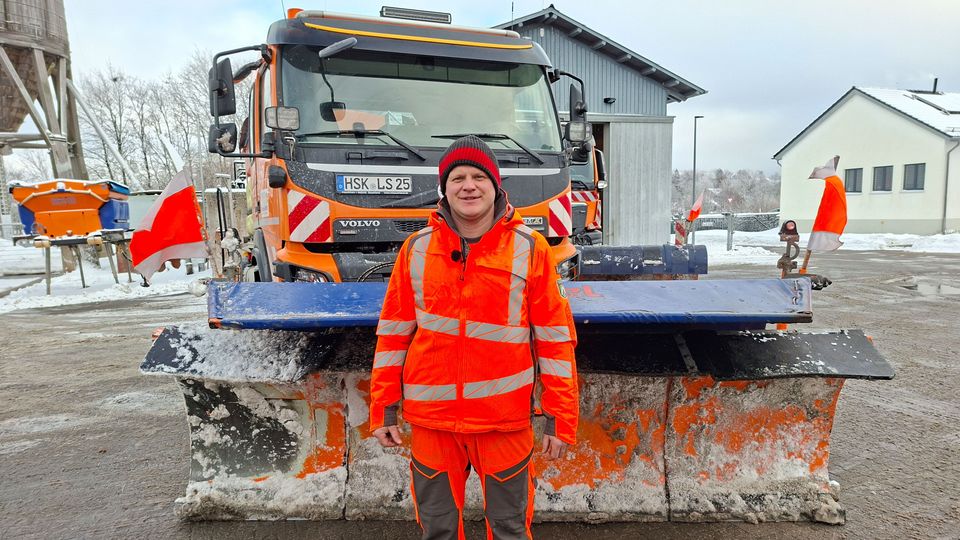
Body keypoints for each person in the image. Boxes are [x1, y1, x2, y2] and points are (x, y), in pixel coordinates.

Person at [369, 135, 579, 539]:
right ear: (444, 189)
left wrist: (559, 418)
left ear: (495, 186)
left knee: (509, 530)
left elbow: (555, 342)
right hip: (433, 426)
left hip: (504, 423)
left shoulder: (530, 249)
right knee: (438, 531)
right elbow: (392, 336)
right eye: (458, 177)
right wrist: (384, 410)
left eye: (479, 176)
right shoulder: (415, 249)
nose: (469, 185)